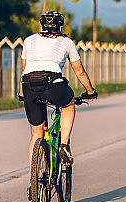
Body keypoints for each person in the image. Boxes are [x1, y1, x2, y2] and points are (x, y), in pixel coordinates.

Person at [19, 11, 97, 173]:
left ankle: (34, 178)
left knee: (36, 134)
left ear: (41, 25)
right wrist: (90, 91)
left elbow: (25, 69)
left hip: (29, 85)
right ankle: (63, 145)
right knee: (68, 104)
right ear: (60, 26)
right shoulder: (66, 41)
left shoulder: (29, 40)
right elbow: (79, 71)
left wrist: (22, 93)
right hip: (53, 83)